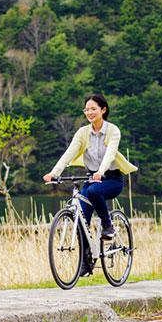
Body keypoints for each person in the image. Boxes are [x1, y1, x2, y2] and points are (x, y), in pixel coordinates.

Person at [43, 94, 137, 240]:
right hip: (92, 177)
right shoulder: (82, 133)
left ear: (103, 110)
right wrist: (54, 173)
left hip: (112, 179)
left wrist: (101, 171)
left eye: (93, 109)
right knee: (81, 221)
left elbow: (110, 154)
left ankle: (108, 226)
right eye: (86, 110)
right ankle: (86, 261)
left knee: (93, 191)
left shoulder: (113, 130)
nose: (89, 113)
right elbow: (69, 153)